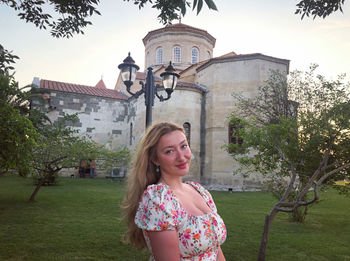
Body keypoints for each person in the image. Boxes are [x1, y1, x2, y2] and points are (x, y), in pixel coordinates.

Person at [122, 122, 226, 261]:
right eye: (169, 151)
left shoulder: (199, 191)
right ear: (155, 159)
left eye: (183, 146)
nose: (181, 157)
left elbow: (215, 247)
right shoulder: (158, 201)